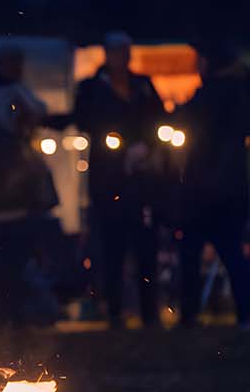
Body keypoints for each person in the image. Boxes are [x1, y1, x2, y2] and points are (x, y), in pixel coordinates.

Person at [67, 32, 170, 329]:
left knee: (146, 246)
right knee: (112, 247)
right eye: (114, 52)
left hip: (142, 180)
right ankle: (114, 312)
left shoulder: (142, 85)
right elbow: (84, 119)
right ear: (107, 54)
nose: (119, 57)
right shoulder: (92, 87)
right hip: (108, 180)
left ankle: (149, 313)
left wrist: (148, 146)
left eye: (123, 52)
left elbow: (157, 118)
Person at [0, 46, 61, 328]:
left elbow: (38, 115)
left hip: (23, 196)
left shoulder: (21, 93)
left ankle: (17, 315)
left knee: (19, 259)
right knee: (0, 259)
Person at [170, 40, 250, 328]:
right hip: (231, 187)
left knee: (194, 252)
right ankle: (244, 313)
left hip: (207, 189)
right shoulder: (240, 91)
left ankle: (190, 315)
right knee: (231, 253)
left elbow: (187, 119)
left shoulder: (213, 95)